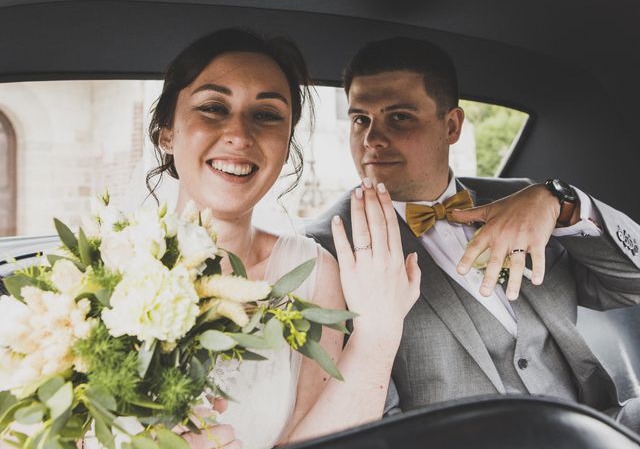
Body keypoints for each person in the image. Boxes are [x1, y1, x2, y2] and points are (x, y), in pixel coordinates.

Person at [306, 36, 640, 431]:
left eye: (399, 117)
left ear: (451, 126)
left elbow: (630, 283)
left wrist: (562, 202)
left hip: (596, 428)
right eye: (360, 118)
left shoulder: (527, 200)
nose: (371, 139)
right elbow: (372, 419)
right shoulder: (325, 250)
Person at [145, 28, 420, 448]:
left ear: (286, 141)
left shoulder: (310, 273)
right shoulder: (104, 270)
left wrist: (379, 333)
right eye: (214, 107)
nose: (239, 134)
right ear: (168, 132)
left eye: (267, 115)